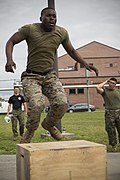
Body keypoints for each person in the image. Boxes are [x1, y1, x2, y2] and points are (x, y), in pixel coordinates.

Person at [5, 7, 99, 143]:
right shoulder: (30, 29)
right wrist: (9, 59)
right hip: (31, 76)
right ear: (41, 18)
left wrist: (85, 63)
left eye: (54, 17)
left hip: (49, 76)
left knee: (61, 103)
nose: (52, 19)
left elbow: (71, 50)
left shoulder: (61, 32)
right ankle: (29, 132)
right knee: (37, 105)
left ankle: (48, 124)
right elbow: (11, 41)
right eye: (48, 16)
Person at [96, 77, 120, 152]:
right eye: (110, 82)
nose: (111, 84)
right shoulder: (105, 91)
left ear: (115, 84)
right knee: (110, 130)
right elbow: (97, 87)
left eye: (113, 83)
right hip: (109, 113)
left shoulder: (118, 91)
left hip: (118, 112)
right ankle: (114, 146)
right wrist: (106, 81)